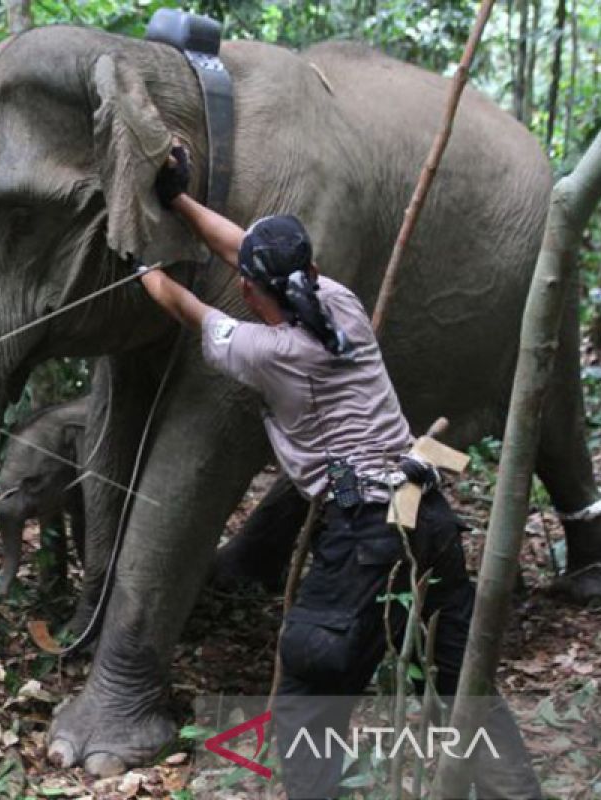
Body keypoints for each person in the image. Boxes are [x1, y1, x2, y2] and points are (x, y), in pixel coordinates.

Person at [139, 146, 542, 799]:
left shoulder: (267, 351)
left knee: (308, 684)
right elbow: (244, 248)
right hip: (423, 503)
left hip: (365, 530)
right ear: (312, 270)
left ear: (248, 292)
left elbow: (184, 305)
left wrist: (141, 267)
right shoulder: (340, 302)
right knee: (458, 681)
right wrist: (180, 201)